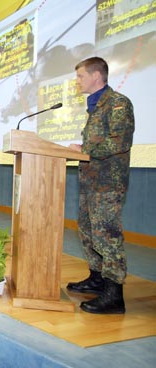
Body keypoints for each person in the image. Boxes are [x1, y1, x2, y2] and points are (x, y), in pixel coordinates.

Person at [66, 57, 135, 315]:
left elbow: (119, 143)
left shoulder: (117, 103)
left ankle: (115, 294)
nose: (78, 81)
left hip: (108, 183)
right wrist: (84, 150)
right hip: (90, 181)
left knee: (107, 235)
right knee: (88, 230)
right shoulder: (94, 107)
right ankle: (97, 279)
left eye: (81, 76)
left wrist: (85, 149)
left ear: (96, 76)